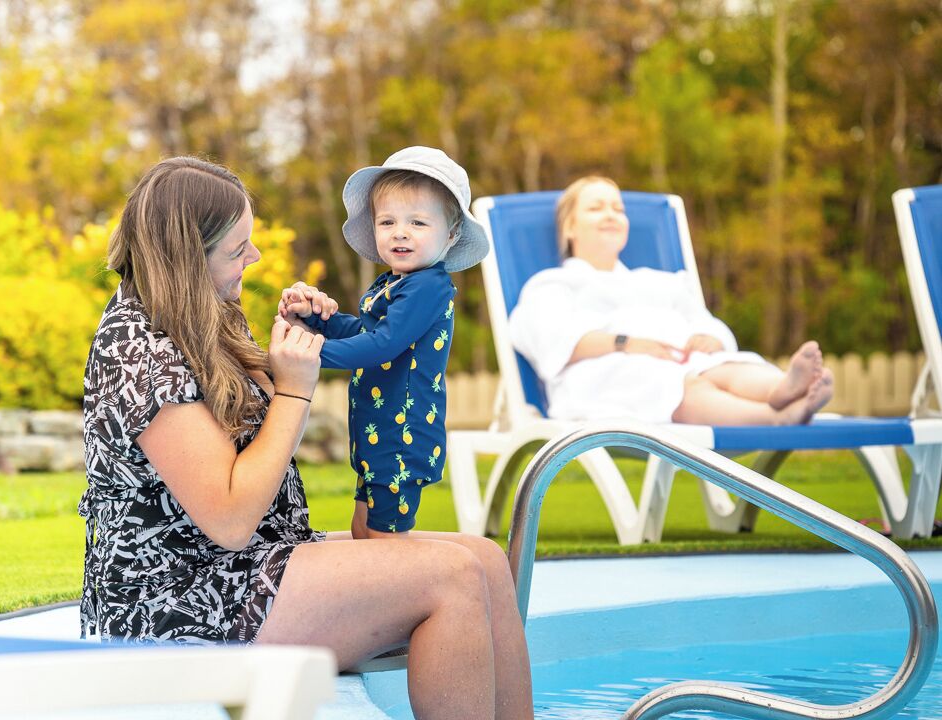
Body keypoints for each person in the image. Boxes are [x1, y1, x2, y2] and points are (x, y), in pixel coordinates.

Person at [78, 156, 532, 719]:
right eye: (237, 248)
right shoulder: (138, 351)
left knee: (485, 559)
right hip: (180, 603)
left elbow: (264, 389)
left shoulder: (206, 313)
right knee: (453, 576)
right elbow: (227, 520)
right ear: (187, 258)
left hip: (258, 562)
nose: (255, 256)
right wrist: (295, 390)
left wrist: (305, 326)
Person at [277, 146, 488, 539]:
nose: (400, 232)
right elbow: (365, 332)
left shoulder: (429, 285)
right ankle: (379, 598)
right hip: (378, 433)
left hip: (402, 436)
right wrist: (316, 320)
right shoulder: (395, 283)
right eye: (387, 221)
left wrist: (310, 352)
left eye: (418, 222)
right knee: (362, 530)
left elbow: (382, 346)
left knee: (384, 543)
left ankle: (413, 598)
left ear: (452, 233)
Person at [509, 176, 834, 425]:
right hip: (606, 377)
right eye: (596, 208)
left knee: (726, 365)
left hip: (683, 360)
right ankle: (774, 418)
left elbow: (708, 324)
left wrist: (710, 338)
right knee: (675, 383)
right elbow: (548, 341)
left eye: (618, 209)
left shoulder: (659, 282)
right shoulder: (552, 285)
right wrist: (626, 343)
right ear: (569, 227)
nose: (610, 215)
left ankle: (782, 389)